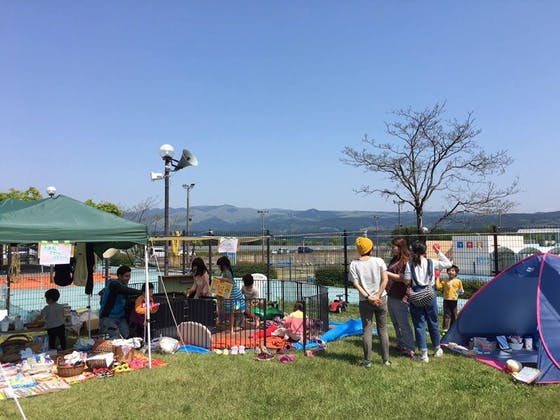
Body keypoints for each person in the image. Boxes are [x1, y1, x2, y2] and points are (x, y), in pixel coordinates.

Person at [404, 242, 452, 363]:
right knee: (433, 321)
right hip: (430, 294)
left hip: (416, 295)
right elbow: (448, 264)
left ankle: (424, 353)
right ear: (425, 252)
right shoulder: (431, 262)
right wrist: (438, 252)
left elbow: (407, 281)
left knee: (419, 324)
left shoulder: (409, 264)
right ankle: (437, 348)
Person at [349, 237, 390, 368]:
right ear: (371, 248)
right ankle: (386, 360)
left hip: (365, 301)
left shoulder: (354, 264)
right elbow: (385, 279)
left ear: (359, 250)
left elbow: (356, 284)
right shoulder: (379, 261)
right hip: (381, 299)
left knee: (367, 330)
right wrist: (378, 295)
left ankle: (367, 361)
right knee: (383, 329)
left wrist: (368, 297)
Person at [386, 237, 415, 358]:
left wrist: (386, 273)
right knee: (395, 322)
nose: (392, 248)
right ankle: (400, 343)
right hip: (391, 294)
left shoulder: (405, 261)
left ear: (400, 247)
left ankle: (410, 348)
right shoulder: (394, 259)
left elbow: (403, 278)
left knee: (403, 323)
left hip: (401, 296)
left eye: (394, 246)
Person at [99, 265, 141, 339]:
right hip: (108, 317)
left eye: (129, 276)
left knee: (128, 337)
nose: (128, 278)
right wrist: (141, 292)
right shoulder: (113, 284)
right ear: (119, 276)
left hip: (121, 317)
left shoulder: (124, 286)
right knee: (115, 338)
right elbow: (123, 290)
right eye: (126, 276)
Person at [216, 256, 246, 333]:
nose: (219, 267)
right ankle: (232, 327)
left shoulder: (227, 272)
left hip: (233, 295)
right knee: (232, 312)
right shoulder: (227, 272)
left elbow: (230, 282)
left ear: (223, 265)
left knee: (232, 312)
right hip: (231, 294)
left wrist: (222, 279)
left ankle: (232, 328)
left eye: (219, 265)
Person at [436, 264, 464, 332]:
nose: (450, 272)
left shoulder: (458, 281)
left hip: (454, 300)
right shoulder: (445, 281)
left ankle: (453, 328)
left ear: (456, 273)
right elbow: (438, 286)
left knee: (454, 315)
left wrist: (456, 294)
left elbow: (461, 291)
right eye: (449, 270)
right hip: (446, 300)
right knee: (446, 314)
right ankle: (445, 329)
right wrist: (437, 277)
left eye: (453, 271)